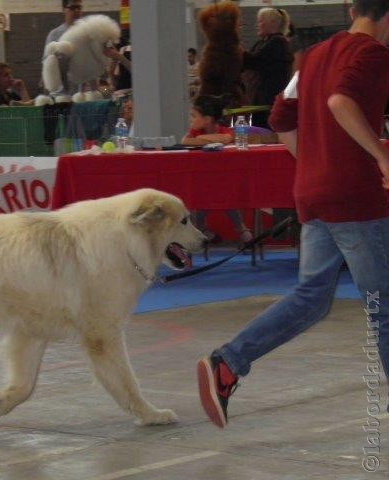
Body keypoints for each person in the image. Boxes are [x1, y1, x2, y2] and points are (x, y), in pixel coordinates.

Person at [198, 0, 389, 429]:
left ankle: (227, 362)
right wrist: (380, 157)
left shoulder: (316, 54)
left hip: (313, 194)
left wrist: (314, 163)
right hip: (354, 199)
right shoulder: (372, 54)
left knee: (312, 298)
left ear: (353, 7)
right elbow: (342, 101)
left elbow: (282, 117)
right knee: (384, 304)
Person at [182, 94, 253, 245]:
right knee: (200, 199)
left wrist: (201, 140)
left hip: (223, 181)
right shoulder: (194, 133)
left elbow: (226, 139)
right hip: (202, 183)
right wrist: (210, 139)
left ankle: (241, 229)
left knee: (225, 196)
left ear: (207, 119)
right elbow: (185, 141)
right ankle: (202, 230)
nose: (191, 120)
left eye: (194, 116)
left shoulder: (224, 130)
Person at [242, 7, 293, 128]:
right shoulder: (262, 43)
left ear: (271, 23)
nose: (257, 25)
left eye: (260, 21)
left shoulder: (277, 42)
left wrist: (237, 49)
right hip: (260, 102)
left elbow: (253, 61)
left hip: (269, 102)